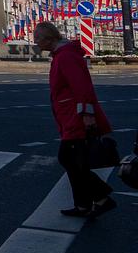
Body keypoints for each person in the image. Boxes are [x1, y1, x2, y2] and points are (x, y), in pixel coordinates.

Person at [35, 21, 116, 218]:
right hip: (69, 115)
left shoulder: (66, 57)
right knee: (75, 161)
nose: (36, 43)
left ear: (50, 39)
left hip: (76, 117)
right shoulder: (61, 56)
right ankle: (84, 204)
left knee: (69, 159)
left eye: (38, 39)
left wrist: (87, 115)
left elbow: (82, 88)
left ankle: (102, 197)